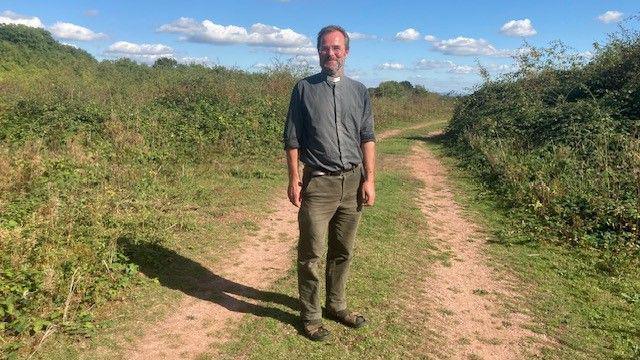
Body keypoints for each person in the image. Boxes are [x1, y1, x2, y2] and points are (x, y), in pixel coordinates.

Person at [283, 25, 376, 341]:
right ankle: (310, 317)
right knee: (311, 254)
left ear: (346, 52)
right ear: (318, 51)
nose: (330, 53)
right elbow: (292, 139)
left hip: (352, 183)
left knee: (343, 250)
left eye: (336, 48)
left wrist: (370, 179)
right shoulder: (304, 89)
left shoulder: (359, 91)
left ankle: (336, 306)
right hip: (319, 185)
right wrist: (294, 179)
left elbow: (367, 137)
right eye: (325, 48)